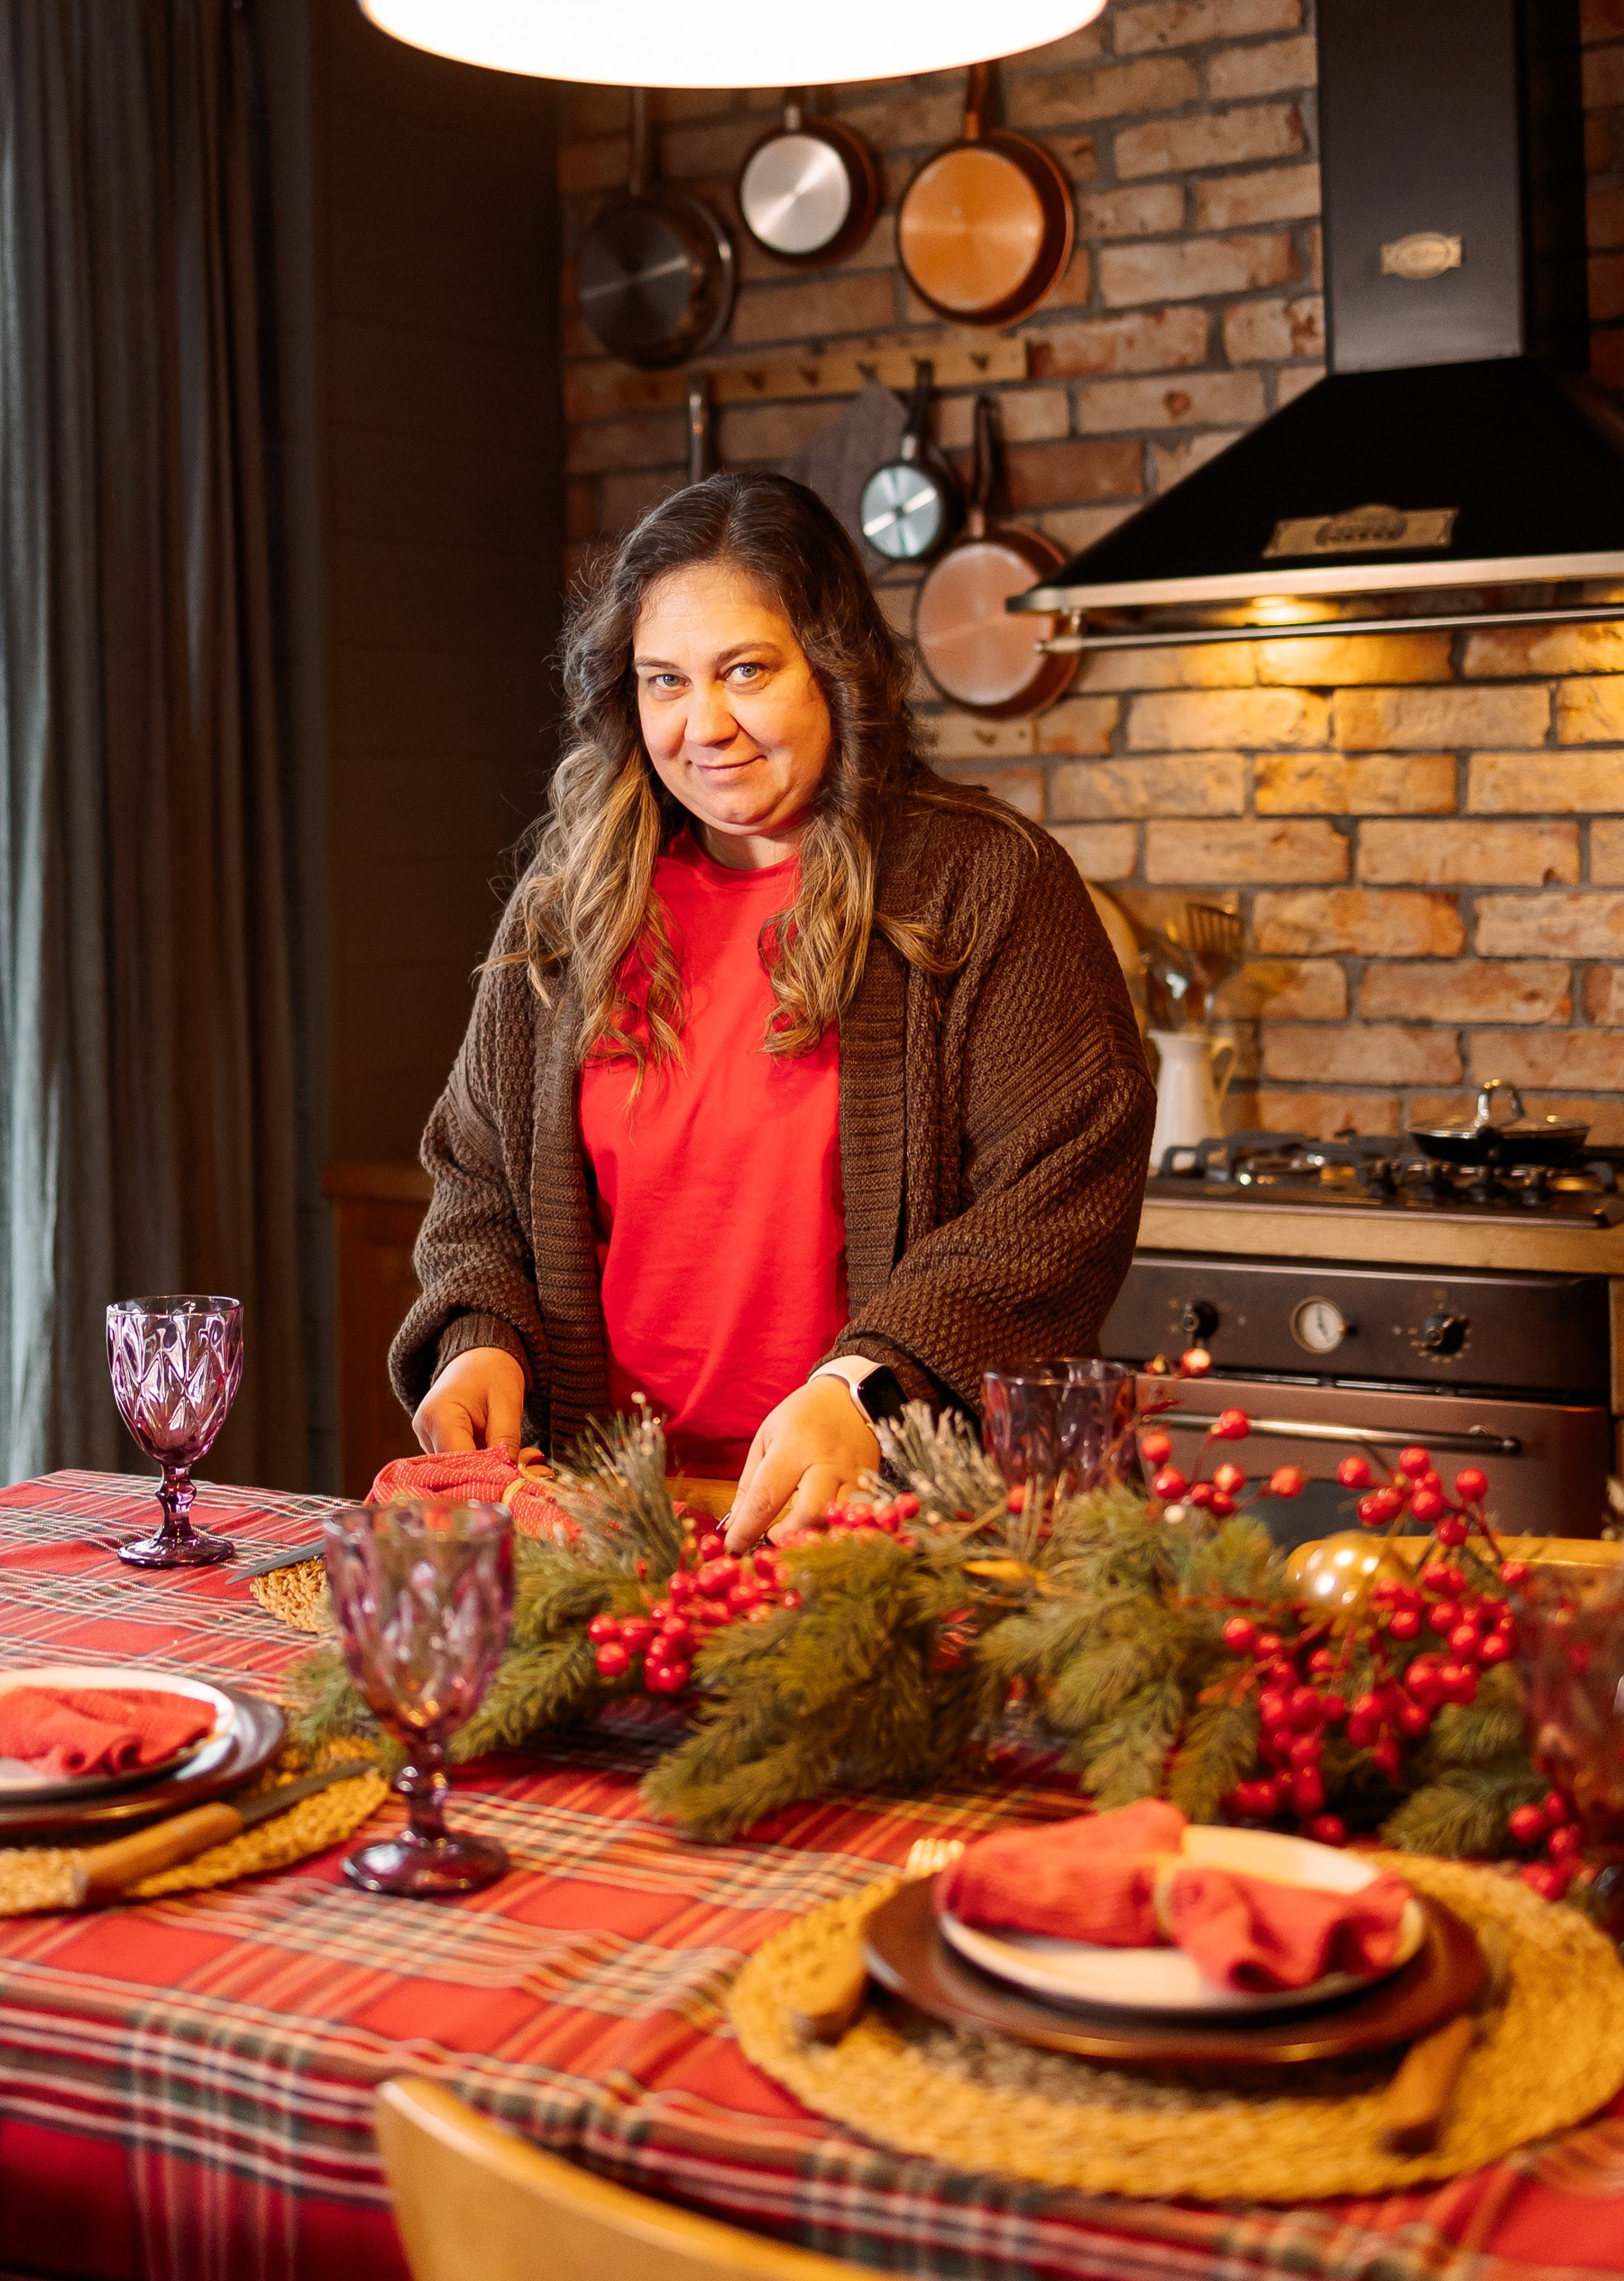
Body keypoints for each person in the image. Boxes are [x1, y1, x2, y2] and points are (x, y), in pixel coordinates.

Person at [389, 473, 1152, 1549]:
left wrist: (865, 1389)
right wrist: (480, 1336)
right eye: (665, 681)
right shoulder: (572, 905)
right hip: (613, 1527)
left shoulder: (986, 884)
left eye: (746, 670)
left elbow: (1057, 1202)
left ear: (836, 670)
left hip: (903, 1531)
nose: (705, 725)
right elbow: (477, 1179)